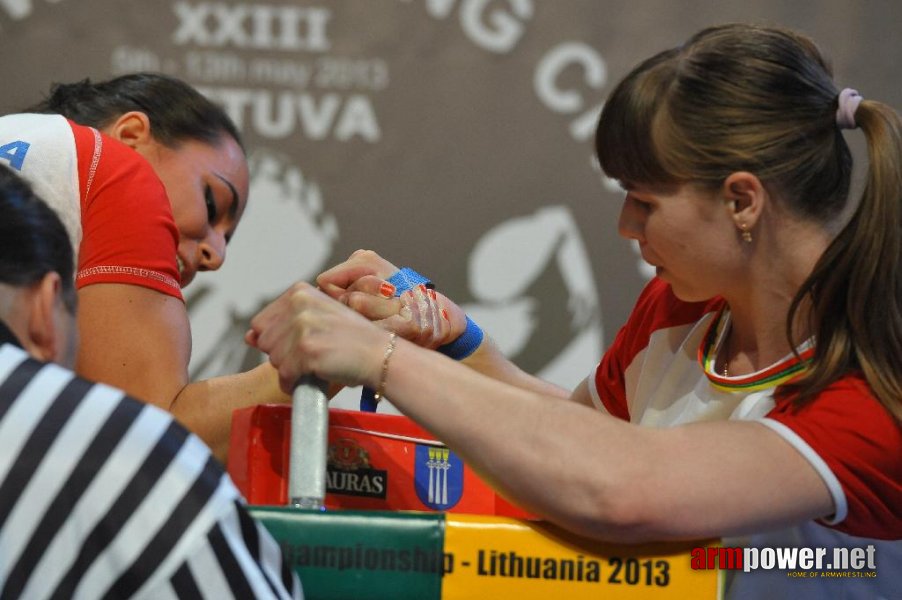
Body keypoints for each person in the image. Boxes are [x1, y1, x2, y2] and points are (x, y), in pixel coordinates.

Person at [246, 24, 901, 599]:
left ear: (742, 201)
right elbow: (579, 437)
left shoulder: (871, 383)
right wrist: (460, 341)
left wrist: (378, 358)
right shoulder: (681, 305)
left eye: (644, 200)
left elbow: (620, 488)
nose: (624, 225)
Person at [0, 164, 302, 599]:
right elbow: (156, 431)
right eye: (211, 202)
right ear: (47, 308)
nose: (215, 254)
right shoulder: (113, 451)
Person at [0, 72, 290, 460]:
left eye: (227, 238)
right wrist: (317, 357)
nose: (216, 255)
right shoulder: (118, 169)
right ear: (132, 135)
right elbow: (142, 439)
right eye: (211, 202)